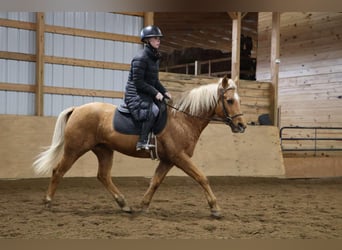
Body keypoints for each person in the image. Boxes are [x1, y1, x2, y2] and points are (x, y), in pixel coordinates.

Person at [124, 25, 172, 151]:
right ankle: (142, 141)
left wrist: (164, 91)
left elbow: (154, 80)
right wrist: (155, 92)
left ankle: (156, 137)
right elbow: (138, 82)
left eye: (159, 38)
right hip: (135, 94)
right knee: (154, 110)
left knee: (163, 106)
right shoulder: (141, 58)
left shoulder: (154, 58)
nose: (158, 41)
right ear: (147, 40)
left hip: (145, 92)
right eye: (155, 38)